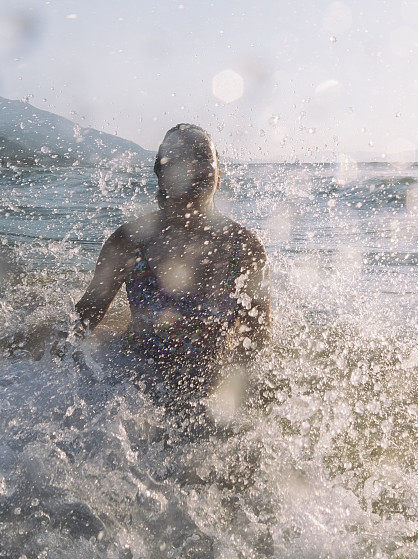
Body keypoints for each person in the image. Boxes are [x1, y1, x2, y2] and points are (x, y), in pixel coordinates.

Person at [72, 124, 270, 395]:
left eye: (203, 156)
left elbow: (257, 342)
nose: (193, 167)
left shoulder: (245, 247)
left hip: (210, 386)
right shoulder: (130, 241)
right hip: (133, 381)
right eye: (178, 158)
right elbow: (83, 320)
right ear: (161, 175)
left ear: (218, 173)